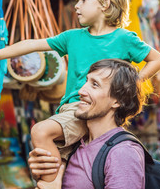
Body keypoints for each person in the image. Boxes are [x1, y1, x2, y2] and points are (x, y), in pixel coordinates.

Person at [0, 0, 160, 182]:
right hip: (70, 109)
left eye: (84, 0)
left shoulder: (124, 39)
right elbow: (33, 44)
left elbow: (157, 60)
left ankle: (52, 184)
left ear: (105, 4)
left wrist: (127, 87)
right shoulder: (73, 37)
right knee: (49, 166)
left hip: (83, 109)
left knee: (41, 132)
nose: (76, 6)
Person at [28, 59, 146, 189]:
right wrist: (42, 169)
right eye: (86, 82)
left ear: (117, 101)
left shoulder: (122, 153)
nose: (81, 91)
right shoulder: (75, 144)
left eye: (95, 85)